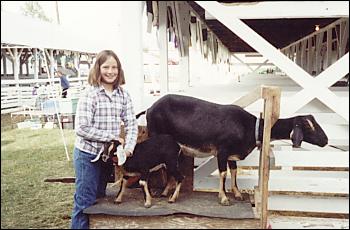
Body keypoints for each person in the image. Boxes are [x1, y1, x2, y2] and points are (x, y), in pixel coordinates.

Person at [71, 50, 138, 229]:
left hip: (106, 157)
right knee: (85, 202)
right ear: (98, 69)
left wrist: (129, 147)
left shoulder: (123, 95)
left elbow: (131, 123)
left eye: (114, 67)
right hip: (88, 155)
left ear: (119, 70)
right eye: (106, 67)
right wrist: (112, 137)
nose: (110, 71)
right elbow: (82, 128)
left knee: (100, 198)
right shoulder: (90, 94)